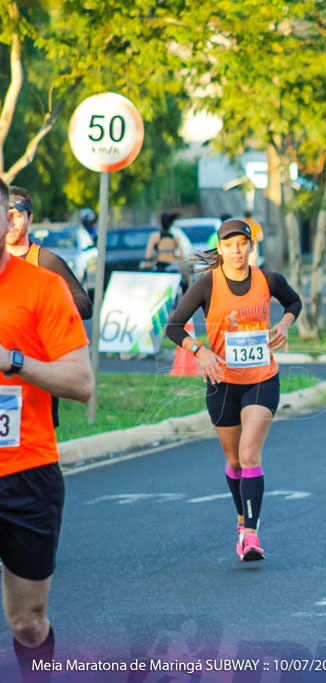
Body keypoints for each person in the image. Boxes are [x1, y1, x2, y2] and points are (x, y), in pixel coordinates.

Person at [0, 179, 95, 681]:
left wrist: (13, 361)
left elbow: (81, 382)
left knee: (28, 623)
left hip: (26, 470)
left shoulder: (42, 283)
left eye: (10, 213)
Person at [164, 219, 301, 562]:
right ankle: (242, 521)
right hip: (222, 383)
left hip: (261, 378)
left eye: (243, 244)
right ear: (221, 248)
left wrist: (284, 324)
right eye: (230, 245)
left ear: (252, 247)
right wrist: (200, 350)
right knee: (233, 460)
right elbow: (173, 326)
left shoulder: (268, 279)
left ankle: (251, 536)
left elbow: (294, 303)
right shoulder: (207, 285)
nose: (237, 250)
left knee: (250, 454)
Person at [6, 186, 93, 431]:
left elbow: (84, 304)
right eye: (7, 214)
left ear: (30, 219)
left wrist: (43, 312)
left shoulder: (46, 261)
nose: (12, 222)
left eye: (18, 214)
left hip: (38, 375)